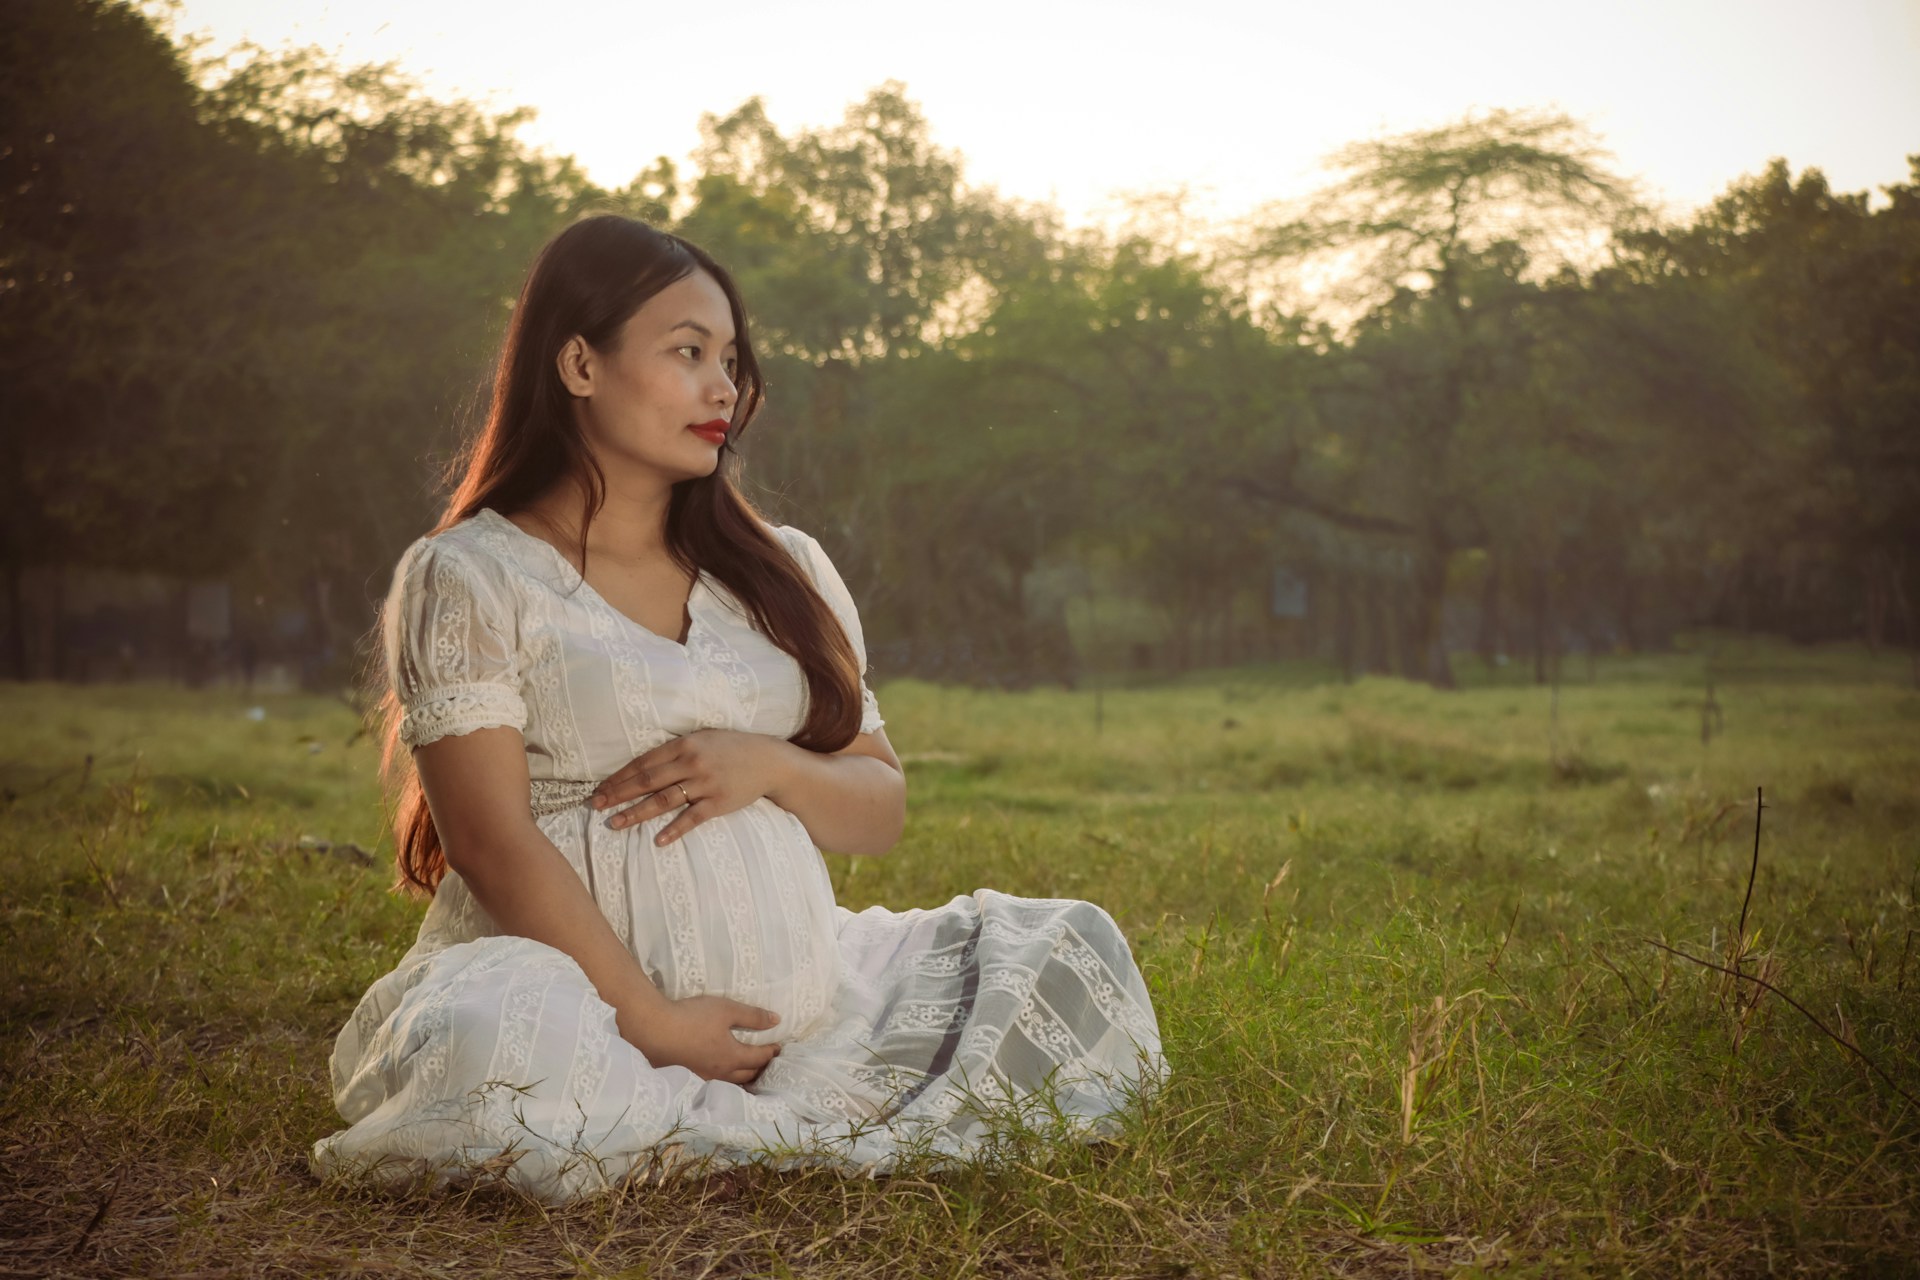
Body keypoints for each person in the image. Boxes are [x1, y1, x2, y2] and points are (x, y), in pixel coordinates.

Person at [311, 215, 1163, 1203]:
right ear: (580, 363)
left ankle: (735, 1096)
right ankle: (648, 1082)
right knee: (490, 1041)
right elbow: (491, 842)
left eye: (731, 359)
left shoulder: (783, 567)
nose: (726, 388)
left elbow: (878, 807)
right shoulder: (470, 573)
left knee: (1067, 941)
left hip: (805, 1013)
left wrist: (771, 766)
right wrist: (651, 1019)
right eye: (687, 353)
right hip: (577, 999)